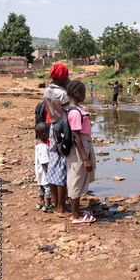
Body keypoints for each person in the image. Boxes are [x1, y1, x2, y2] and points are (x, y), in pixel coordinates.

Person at [66, 80, 96, 224]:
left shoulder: (77, 109)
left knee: (78, 177)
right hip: (80, 147)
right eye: (83, 92)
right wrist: (85, 158)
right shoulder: (75, 112)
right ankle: (76, 215)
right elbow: (76, 136)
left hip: (84, 144)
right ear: (75, 93)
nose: (85, 94)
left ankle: (76, 211)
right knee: (76, 178)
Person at [43, 63, 70, 218]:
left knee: (53, 164)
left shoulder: (47, 92)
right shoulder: (62, 94)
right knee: (61, 167)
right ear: (63, 77)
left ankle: (55, 204)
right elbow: (69, 112)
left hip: (53, 126)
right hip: (63, 129)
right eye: (66, 76)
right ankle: (61, 207)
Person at [34, 122, 53, 213]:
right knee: (48, 188)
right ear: (45, 134)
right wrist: (47, 171)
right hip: (44, 171)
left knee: (41, 187)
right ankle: (48, 205)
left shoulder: (37, 144)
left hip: (38, 170)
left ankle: (41, 202)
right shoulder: (44, 147)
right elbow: (44, 160)